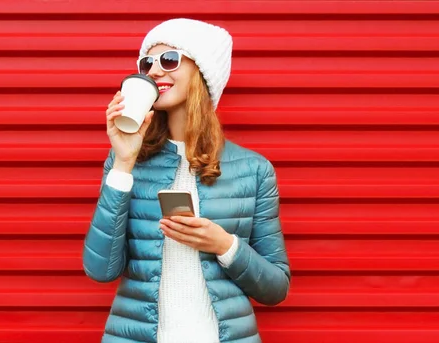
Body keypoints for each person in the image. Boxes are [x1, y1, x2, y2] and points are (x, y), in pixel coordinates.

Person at [83, 18, 291, 343]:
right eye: (147, 63)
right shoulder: (127, 160)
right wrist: (123, 161)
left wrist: (225, 246)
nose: (153, 71)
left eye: (170, 60)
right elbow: (101, 270)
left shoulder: (254, 169)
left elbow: (276, 288)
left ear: (203, 73)